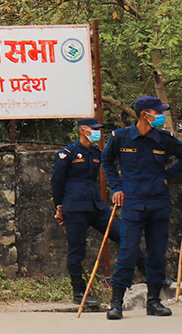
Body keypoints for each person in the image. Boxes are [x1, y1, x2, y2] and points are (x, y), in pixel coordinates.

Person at [101, 96, 182, 320]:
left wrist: (168, 176)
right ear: (145, 114)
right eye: (158, 113)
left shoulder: (164, 139)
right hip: (133, 203)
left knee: (157, 254)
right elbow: (106, 160)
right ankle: (116, 302)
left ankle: (154, 302)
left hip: (158, 203)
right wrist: (116, 186)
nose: (161, 116)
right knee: (128, 252)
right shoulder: (121, 137)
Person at [51, 118, 131, 307]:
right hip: (75, 207)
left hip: (96, 205)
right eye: (94, 129)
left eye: (99, 129)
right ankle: (79, 292)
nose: (97, 132)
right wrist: (59, 206)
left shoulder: (96, 153)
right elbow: (57, 182)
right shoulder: (67, 154)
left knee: (125, 236)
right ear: (82, 130)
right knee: (77, 251)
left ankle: (149, 275)